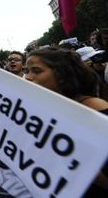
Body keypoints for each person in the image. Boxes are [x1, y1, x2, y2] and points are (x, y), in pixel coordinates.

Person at [24, 47, 108, 197]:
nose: (28, 77)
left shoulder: (94, 108)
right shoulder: (42, 110)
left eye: (36, 71)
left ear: (62, 75)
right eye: (27, 71)